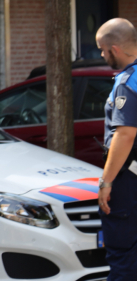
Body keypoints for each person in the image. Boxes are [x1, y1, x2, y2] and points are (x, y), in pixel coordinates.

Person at [95, 18, 137, 280]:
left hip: (130, 182)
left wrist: (106, 182)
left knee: (123, 257)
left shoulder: (127, 83)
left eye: (102, 49)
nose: (101, 54)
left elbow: (125, 135)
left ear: (115, 49)